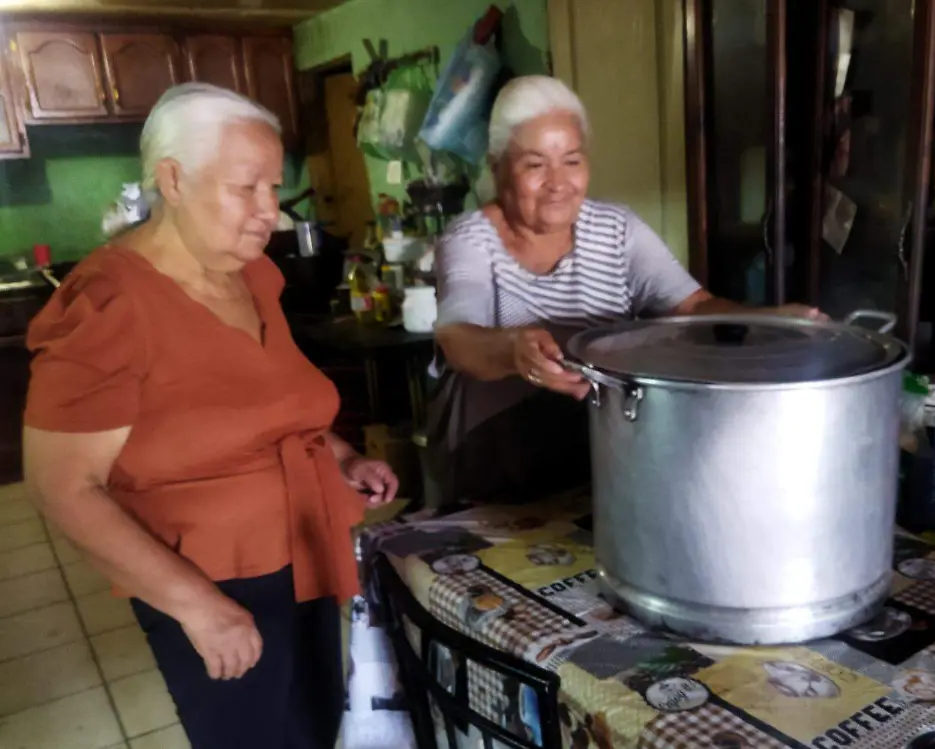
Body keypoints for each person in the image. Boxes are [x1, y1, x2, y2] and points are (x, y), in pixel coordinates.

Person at [22, 83, 399, 749]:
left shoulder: (251, 275)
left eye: (273, 188)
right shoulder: (112, 302)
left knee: (318, 726)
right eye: (246, 187)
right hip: (213, 577)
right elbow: (63, 487)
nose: (269, 212)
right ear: (173, 178)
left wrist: (341, 457)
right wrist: (200, 608)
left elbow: (275, 403)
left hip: (305, 544)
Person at [429, 75, 825, 505]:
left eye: (572, 160)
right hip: (495, 458)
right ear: (496, 166)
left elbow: (691, 307)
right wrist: (512, 350)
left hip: (603, 446)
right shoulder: (469, 240)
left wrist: (772, 319)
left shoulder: (618, 230)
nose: (558, 183)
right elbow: (456, 336)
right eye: (535, 164)